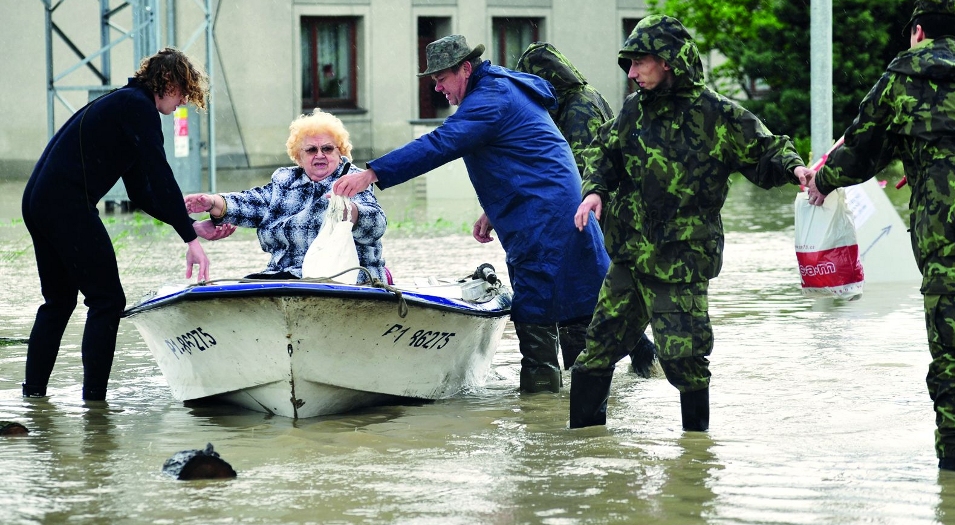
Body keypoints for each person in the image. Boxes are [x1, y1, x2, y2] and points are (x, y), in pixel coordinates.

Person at [570, 15, 810, 430]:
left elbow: (766, 151)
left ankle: (695, 462)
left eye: (638, 62)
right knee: (595, 353)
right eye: (627, 64)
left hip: (682, 262)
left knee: (685, 360)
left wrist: (796, 170)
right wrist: (595, 191)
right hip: (629, 258)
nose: (631, 73)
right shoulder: (632, 113)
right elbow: (602, 154)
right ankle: (585, 451)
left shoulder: (716, 114)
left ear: (667, 60)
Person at [333, 35, 609, 393]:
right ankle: (582, 418)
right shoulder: (502, 90)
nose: (437, 88)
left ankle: (541, 420)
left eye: (441, 79)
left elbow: (440, 143)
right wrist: (492, 212)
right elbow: (526, 160)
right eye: (432, 81)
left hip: (544, 223)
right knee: (576, 310)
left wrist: (373, 172)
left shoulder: (490, 98)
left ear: (465, 68)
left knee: (534, 315)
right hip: (556, 214)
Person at [805, 0, 955, 472]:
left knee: (954, 349)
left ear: (917, 31)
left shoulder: (903, 75)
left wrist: (822, 181)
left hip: (949, 229)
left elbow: (862, 150)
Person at [21, 47, 231, 402]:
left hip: (39, 201)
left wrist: (191, 227)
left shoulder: (125, 105)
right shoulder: (138, 108)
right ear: (168, 81)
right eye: (182, 92)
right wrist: (188, 240)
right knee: (107, 300)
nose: (181, 102)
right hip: (66, 204)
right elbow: (161, 174)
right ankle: (95, 405)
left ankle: (33, 398)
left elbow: (142, 191)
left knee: (58, 303)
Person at [514, 41, 657, 376]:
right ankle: (639, 360)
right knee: (603, 292)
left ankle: (626, 361)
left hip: (603, 210)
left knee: (593, 292)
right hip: (606, 206)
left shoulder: (578, 107)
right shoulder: (578, 98)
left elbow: (583, 167)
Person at [186, 109, 388, 284]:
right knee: (247, 287)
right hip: (283, 277)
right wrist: (212, 202)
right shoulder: (284, 180)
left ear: (340, 152)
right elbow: (251, 203)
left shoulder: (354, 179)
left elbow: (377, 225)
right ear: (299, 157)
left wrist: (351, 213)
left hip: (347, 277)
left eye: (327, 148)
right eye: (311, 150)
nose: (319, 155)